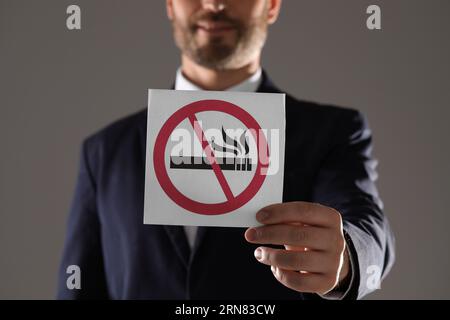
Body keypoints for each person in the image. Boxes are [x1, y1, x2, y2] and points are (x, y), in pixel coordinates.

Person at [57, 0, 395, 300]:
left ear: (272, 6)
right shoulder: (105, 151)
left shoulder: (333, 132)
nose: (215, 3)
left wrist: (346, 257)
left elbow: (366, 227)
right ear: (170, 5)